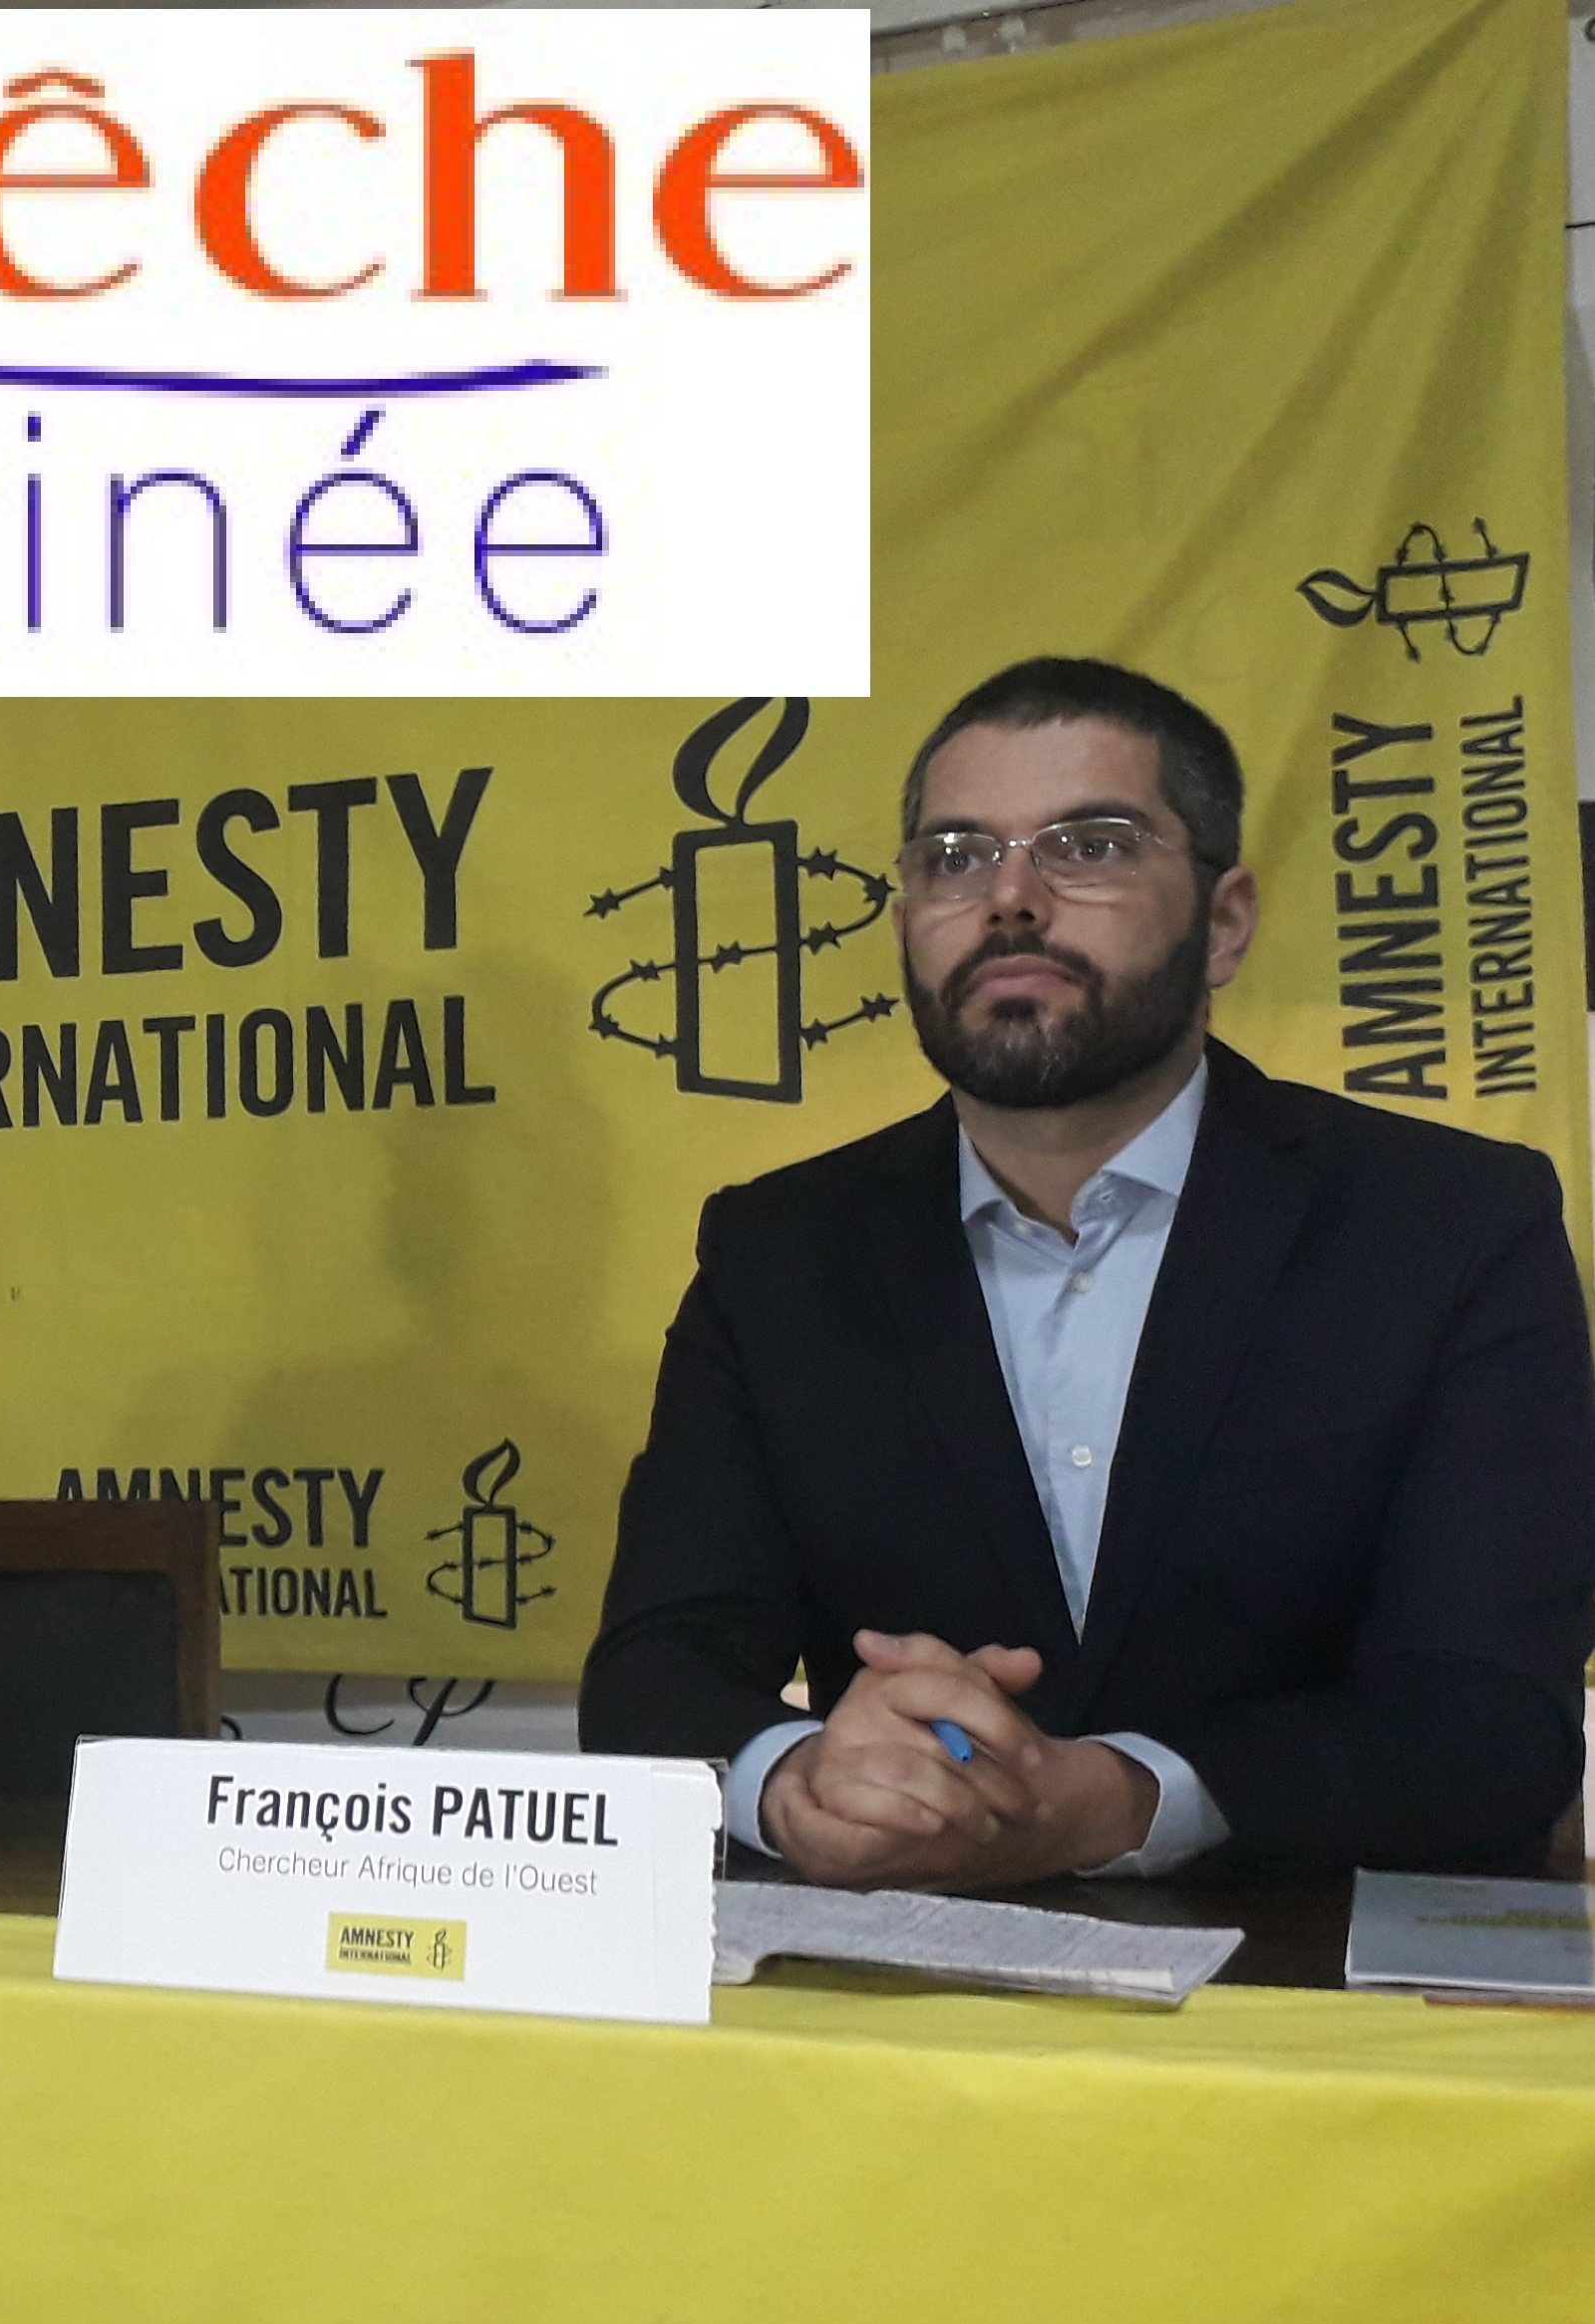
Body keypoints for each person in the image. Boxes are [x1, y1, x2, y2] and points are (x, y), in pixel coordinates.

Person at [580, 657, 1595, 1887]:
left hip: (1308, 1970)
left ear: (1224, 921)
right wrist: (796, 1785)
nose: (1009, 899)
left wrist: (1123, 1800)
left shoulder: (1446, 1225)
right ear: (904, 927)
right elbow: (655, 1674)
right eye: (954, 857)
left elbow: (1491, 1723)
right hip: (894, 1968)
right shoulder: (779, 1253)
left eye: (1090, 847)